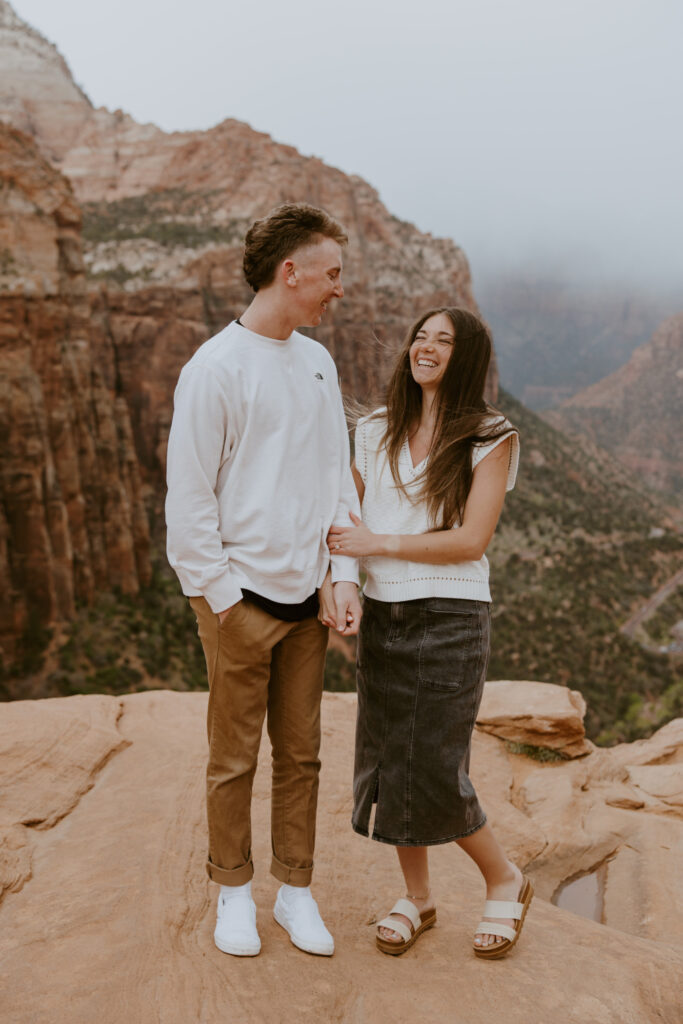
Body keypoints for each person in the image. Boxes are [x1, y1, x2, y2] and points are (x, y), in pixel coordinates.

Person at [165, 203, 362, 959]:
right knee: (234, 756)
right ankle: (233, 893)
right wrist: (226, 604)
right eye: (331, 274)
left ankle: (296, 893)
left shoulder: (317, 360)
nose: (337, 289)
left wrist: (340, 575)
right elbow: (188, 504)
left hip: (307, 597)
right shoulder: (214, 368)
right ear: (292, 272)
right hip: (237, 598)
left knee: (303, 753)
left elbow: (335, 481)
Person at [323, 306, 532, 959]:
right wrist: (346, 579)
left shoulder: (490, 435)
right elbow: (344, 517)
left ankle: (504, 878)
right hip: (385, 613)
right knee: (389, 764)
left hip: (450, 616)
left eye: (442, 341)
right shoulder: (375, 427)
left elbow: (471, 539)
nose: (426, 347)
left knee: (436, 765)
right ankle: (417, 897)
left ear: (463, 357)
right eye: (420, 335)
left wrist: (377, 543)